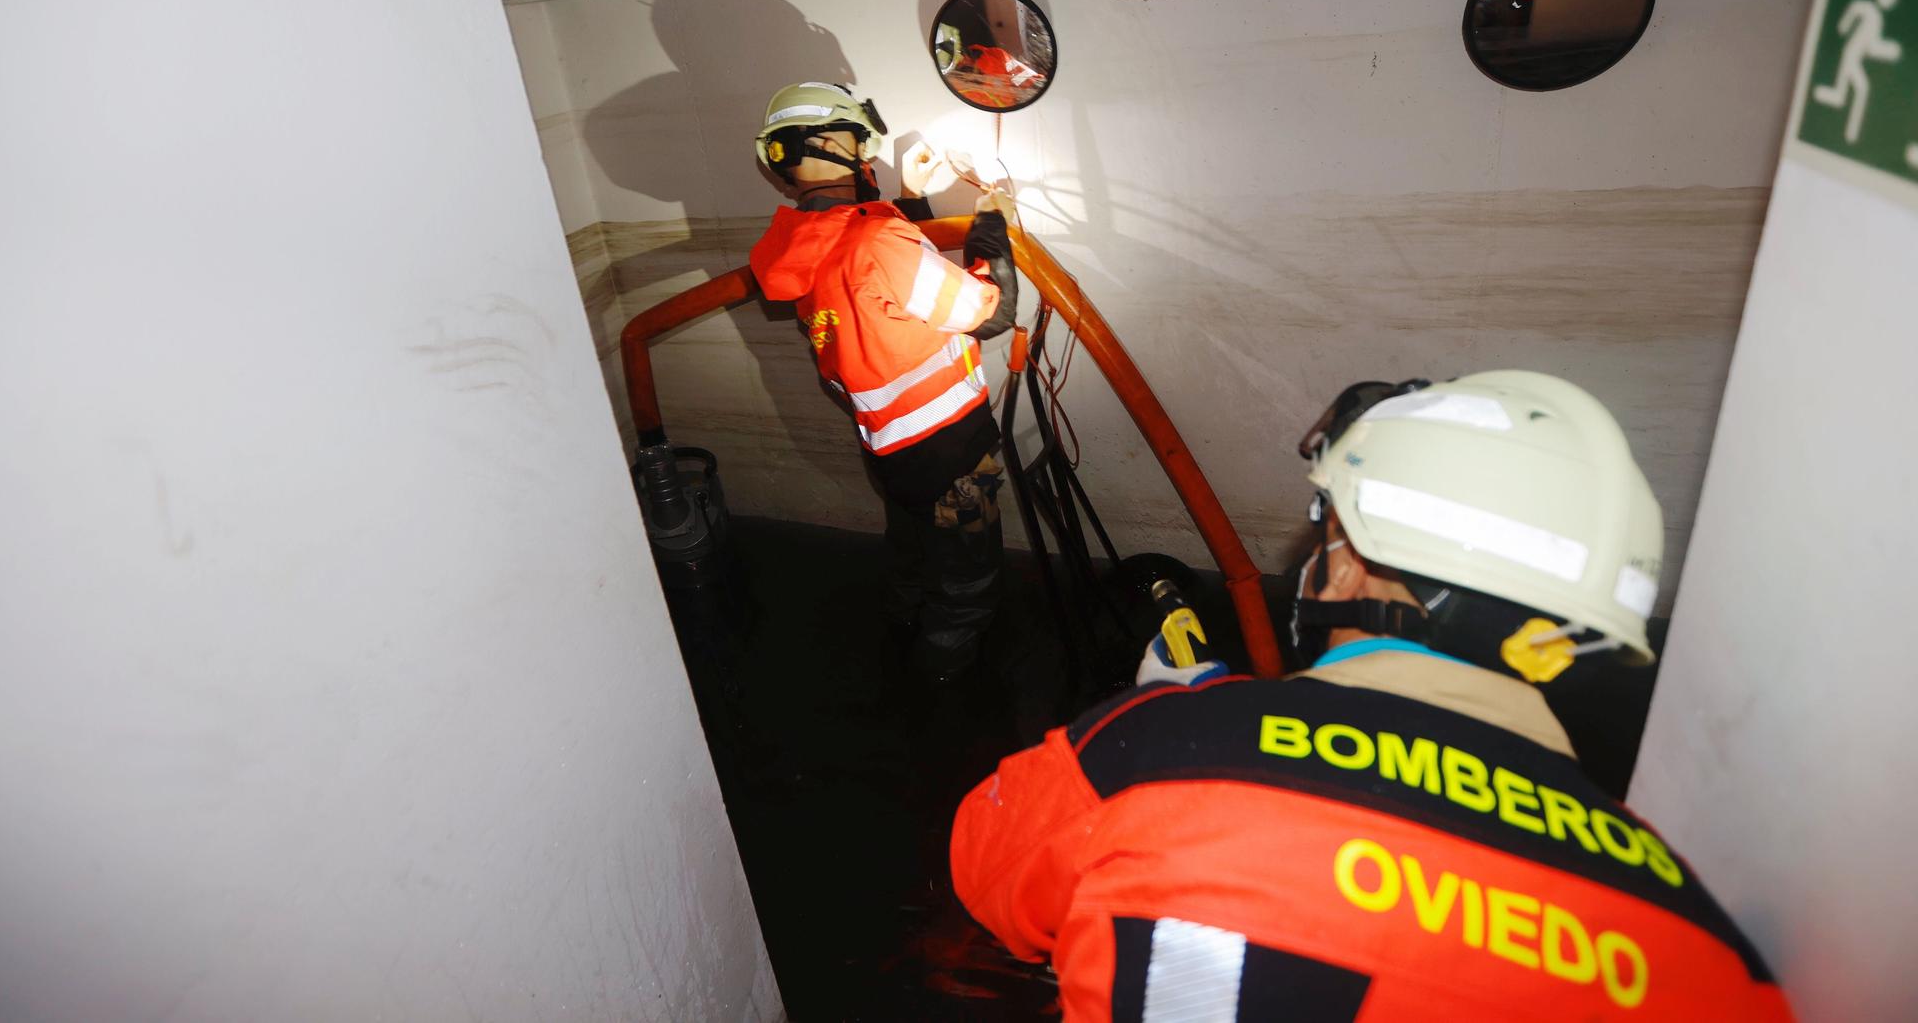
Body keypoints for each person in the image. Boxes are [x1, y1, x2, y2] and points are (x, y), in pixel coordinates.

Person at [950, 371, 1792, 1021]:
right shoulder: (1707, 947)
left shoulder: (1149, 753)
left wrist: (1189, 723)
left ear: (1349, 562)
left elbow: (985, 867)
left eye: (1327, 530)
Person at [748, 81, 1018, 686]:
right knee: (966, 574)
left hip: (890, 448)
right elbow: (991, 313)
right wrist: (992, 223)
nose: (866, 151)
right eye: (856, 137)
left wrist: (913, 196)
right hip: (951, 450)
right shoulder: (875, 240)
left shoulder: (797, 241)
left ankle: (901, 627)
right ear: (827, 142)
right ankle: (944, 685)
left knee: (914, 547)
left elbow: (893, 284)